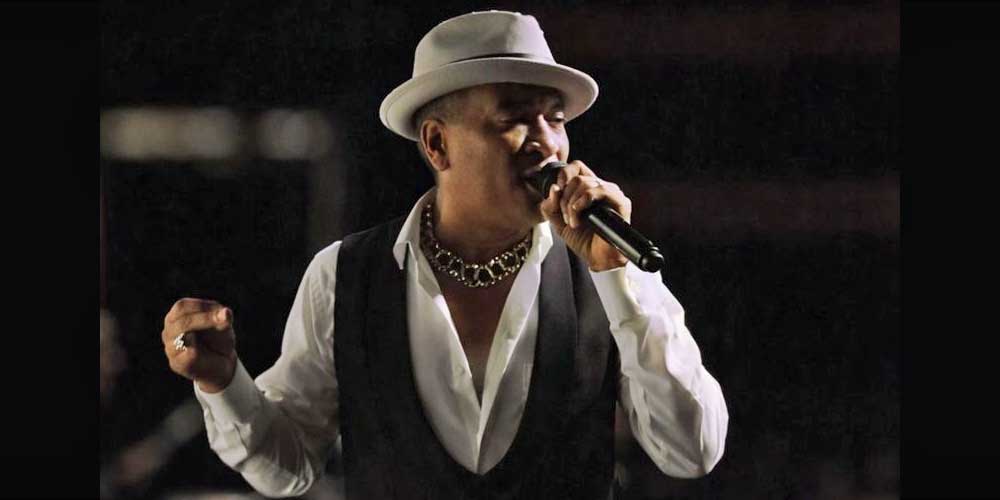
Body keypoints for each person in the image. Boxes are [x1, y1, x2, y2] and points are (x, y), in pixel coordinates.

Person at [161, 10, 728, 499]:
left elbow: (692, 450)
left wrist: (621, 278)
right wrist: (223, 384)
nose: (546, 142)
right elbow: (289, 467)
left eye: (555, 118)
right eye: (514, 117)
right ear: (437, 143)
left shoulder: (605, 275)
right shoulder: (345, 275)